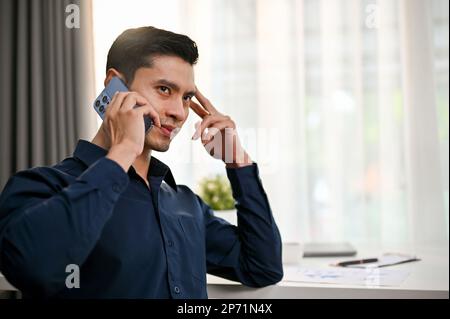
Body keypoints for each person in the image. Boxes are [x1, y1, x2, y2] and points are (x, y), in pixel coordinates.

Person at [0, 26, 283, 298]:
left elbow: (263, 266)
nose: (179, 112)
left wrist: (238, 163)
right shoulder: (43, 185)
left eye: (186, 97)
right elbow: (33, 266)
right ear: (114, 85)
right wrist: (124, 149)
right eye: (163, 89)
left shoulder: (184, 203)